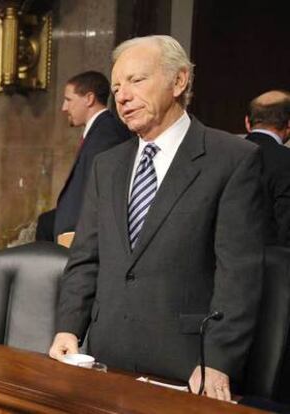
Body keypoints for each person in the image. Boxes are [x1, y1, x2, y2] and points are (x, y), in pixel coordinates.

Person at [50, 35, 264, 401]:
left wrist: (217, 359)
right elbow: (86, 258)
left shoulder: (231, 159)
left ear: (179, 81)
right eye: (117, 87)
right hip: (104, 359)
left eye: (136, 80)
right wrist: (69, 328)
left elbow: (238, 274)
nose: (122, 95)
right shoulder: (108, 165)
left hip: (185, 367)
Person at [54, 71, 131, 240]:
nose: (64, 107)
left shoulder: (107, 134)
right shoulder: (98, 132)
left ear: (89, 98)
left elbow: (100, 196)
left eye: (68, 100)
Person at [245, 90, 290, 246]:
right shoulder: (286, 160)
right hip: (278, 264)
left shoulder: (222, 155)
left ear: (247, 123)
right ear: (289, 124)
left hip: (226, 262)